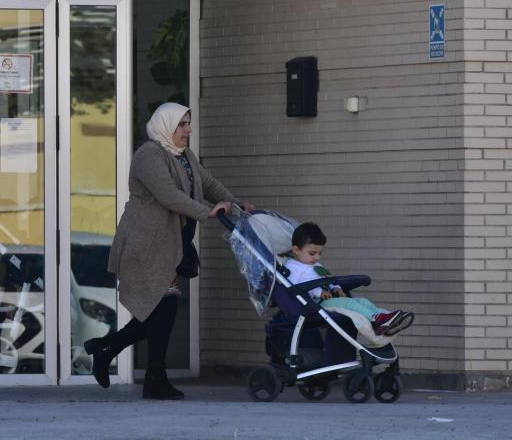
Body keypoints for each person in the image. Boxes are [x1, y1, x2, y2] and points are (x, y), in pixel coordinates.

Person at [83, 102, 255, 400]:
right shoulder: (149, 155)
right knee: (162, 310)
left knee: (161, 310)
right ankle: (148, 375)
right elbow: (167, 194)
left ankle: (111, 351)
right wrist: (207, 211)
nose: (188, 129)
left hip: (170, 242)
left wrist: (235, 203)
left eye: (188, 123)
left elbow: (208, 183)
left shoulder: (184, 155)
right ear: (166, 125)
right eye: (182, 124)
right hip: (146, 242)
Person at [286, 222, 414, 337]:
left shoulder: (316, 265)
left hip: (330, 298)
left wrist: (336, 287)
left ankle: (387, 317)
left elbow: (328, 279)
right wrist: (318, 292)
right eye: (312, 253)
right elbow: (296, 287)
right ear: (296, 250)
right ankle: (377, 319)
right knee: (349, 304)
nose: (317, 257)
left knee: (362, 301)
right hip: (315, 304)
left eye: (320, 253)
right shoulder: (291, 268)